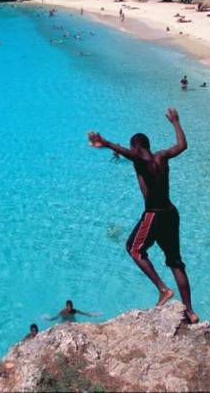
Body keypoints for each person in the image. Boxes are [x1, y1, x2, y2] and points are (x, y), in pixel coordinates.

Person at [86, 108, 199, 324]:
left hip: (154, 214)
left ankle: (163, 290)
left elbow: (132, 155)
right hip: (171, 213)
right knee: (176, 263)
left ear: (136, 148)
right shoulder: (162, 157)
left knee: (134, 249)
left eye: (132, 149)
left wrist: (107, 143)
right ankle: (190, 312)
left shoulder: (140, 160)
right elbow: (182, 145)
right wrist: (176, 122)